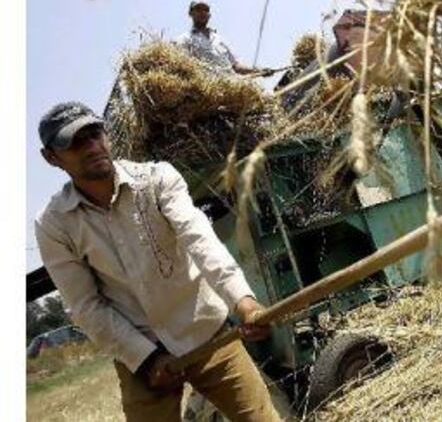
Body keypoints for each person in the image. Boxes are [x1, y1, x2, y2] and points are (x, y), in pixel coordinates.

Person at [34, 102, 281, 422]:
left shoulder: (156, 179)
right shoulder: (54, 224)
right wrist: (147, 360)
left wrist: (243, 302)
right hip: (140, 358)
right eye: (76, 142)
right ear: (51, 157)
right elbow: (85, 305)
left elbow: (200, 242)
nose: (92, 146)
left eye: (95, 134)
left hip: (206, 331)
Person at [176, 0, 274, 78]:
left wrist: (259, 71)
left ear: (209, 15)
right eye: (198, 9)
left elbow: (236, 66)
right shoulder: (184, 39)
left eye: (205, 10)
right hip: (207, 91)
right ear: (190, 13)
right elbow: (185, 68)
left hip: (230, 87)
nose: (202, 13)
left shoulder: (219, 40)